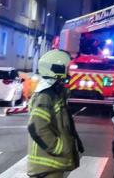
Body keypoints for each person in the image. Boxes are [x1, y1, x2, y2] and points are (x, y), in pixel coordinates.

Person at [27, 50, 84, 178]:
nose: (69, 71)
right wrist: (60, 148)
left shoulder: (56, 93)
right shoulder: (45, 96)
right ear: (57, 68)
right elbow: (36, 127)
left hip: (51, 165)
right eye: (66, 68)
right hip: (46, 165)